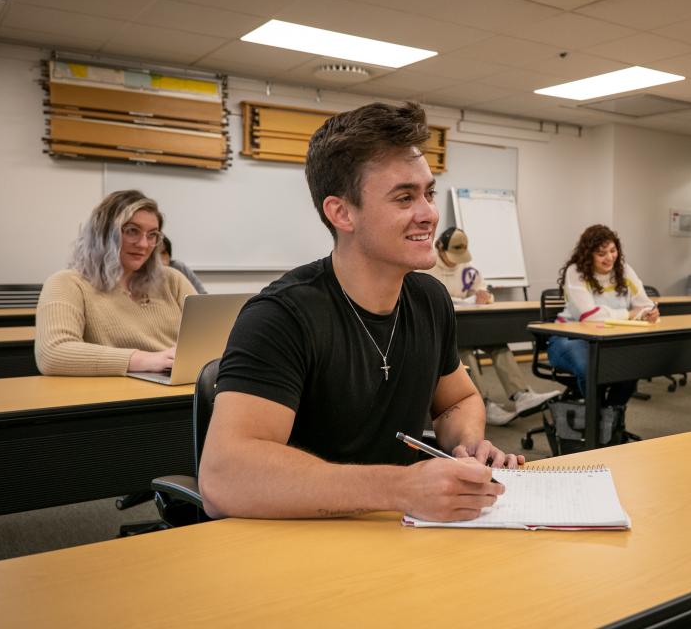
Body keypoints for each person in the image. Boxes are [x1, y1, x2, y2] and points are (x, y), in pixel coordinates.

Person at [198, 102, 518, 523]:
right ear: (341, 213)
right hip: (290, 539)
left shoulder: (429, 299)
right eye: (404, 197)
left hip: (389, 526)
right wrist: (401, 487)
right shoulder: (280, 315)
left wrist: (469, 443)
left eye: (428, 193)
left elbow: (457, 399)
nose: (429, 214)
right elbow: (224, 478)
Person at [34, 190, 198, 376]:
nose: (143, 244)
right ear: (103, 233)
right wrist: (147, 360)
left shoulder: (171, 279)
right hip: (120, 395)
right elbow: (53, 354)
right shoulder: (67, 283)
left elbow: (212, 334)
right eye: (131, 231)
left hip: (183, 385)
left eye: (152, 235)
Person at [422, 226, 559, 426]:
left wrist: (484, 295)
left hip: (469, 321)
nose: (456, 260)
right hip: (444, 328)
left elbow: (482, 289)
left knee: (498, 345)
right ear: (440, 248)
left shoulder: (466, 265)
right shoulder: (427, 265)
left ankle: (521, 395)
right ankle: (482, 402)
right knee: (464, 349)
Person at [549, 224, 659, 411]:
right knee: (591, 368)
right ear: (588, 255)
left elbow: (644, 303)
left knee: (633, 366)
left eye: (613, 250)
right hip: (569, 338)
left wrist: (646, 313)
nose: (610, 258)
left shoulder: (624, 270)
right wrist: (630, 314)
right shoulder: (576, 272)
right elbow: (589, 316)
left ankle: (608, 420)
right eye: (601, 254)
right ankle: (596, 419)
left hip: (610, 340)